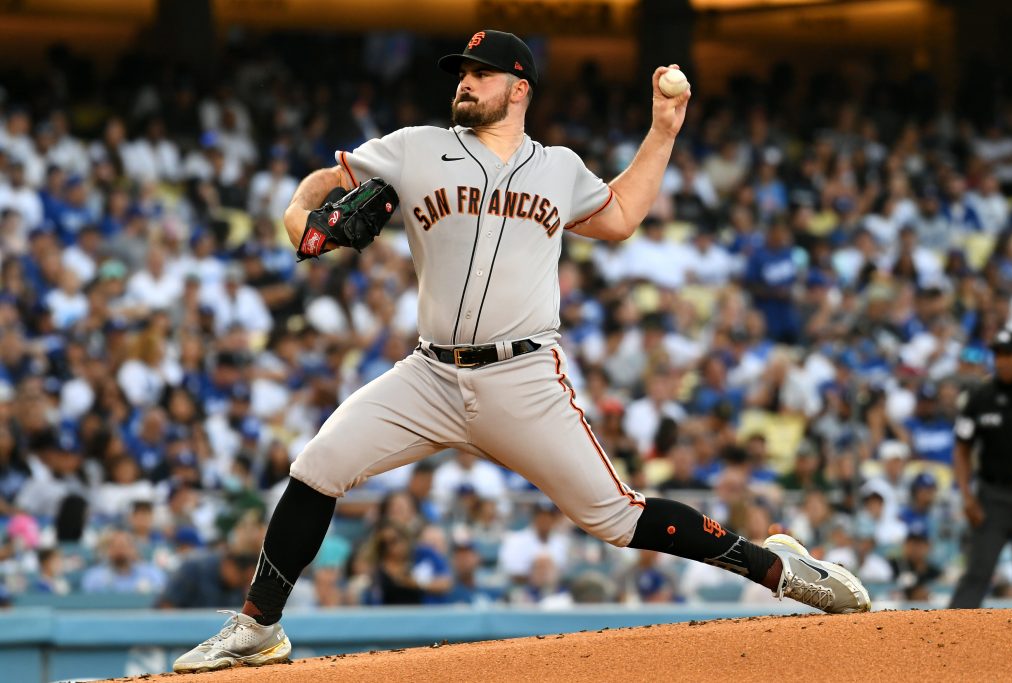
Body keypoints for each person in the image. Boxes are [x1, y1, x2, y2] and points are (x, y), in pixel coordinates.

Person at [173, 29, 869, 673]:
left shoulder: (558, 168)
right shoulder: (414, 147)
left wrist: (661, 131)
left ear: (520, 88)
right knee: (318, 464)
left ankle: (776, 567)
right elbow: (319, 192)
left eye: (483, 72)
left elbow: (622, 216)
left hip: (522, 377)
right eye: (462, 73)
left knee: (616, 517)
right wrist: (307, 213)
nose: (466, 82)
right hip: (429, 374)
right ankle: (259, 626)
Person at [949, 328, 1012, 608]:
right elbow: (962, 447)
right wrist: (967, 496)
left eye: (1008, 355)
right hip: (992, 497)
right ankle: (945, 637)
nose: (1001, 361)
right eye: (997, 355)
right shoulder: (981, 396)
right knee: (976, 574)